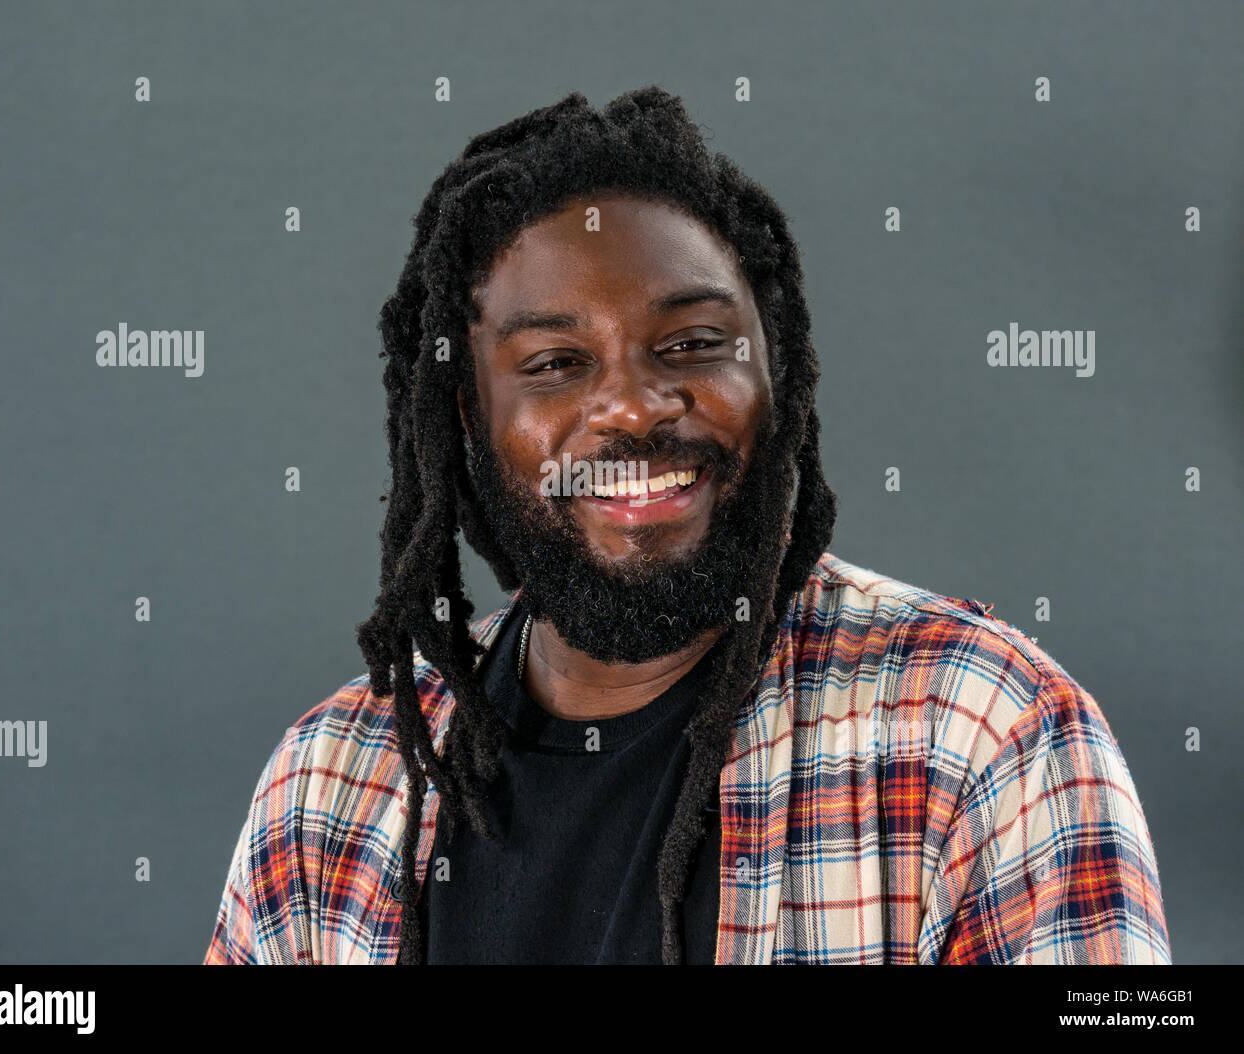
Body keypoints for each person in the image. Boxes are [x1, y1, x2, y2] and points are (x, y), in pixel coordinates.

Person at [203, 86, 1170, 965]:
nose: (632, 406)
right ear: (467, 420)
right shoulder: (329, 788)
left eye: (694, 344)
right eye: (553, 364)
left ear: (775, 373)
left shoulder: (979, 733)